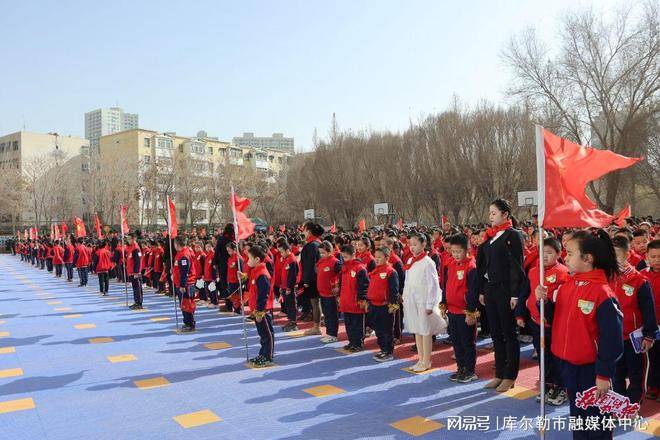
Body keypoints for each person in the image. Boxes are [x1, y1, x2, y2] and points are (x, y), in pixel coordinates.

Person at [540, 230, 624, 439]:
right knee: (578, 417)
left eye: (569, 253)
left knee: (596, 421)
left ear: (587, 259)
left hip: (592, 370)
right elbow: (555, 319)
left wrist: (603, 375)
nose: (565, 258)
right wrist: (543, 302)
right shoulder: (568, 285)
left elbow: (612, 340)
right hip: (569, 365)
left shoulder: (602, 293)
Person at [476, 198, 525, 392]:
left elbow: (516, 267)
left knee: (508, 333)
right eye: (490, 213)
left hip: (506, 290)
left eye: (494, 213)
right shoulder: (490, 236)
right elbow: (482, 265)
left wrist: (515, 294)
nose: (491, 217)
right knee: (496, 334)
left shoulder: (512, 235)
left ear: (505, 214)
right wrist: (481, 289)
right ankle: (499, 373)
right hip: (490, 289)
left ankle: (510, 375)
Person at [515, 237, 569, 405]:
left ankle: (560, 387)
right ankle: (546, 385)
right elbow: (526, 293)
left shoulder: (563, 273)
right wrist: (520, 314)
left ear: (559, 254)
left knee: (556, 357)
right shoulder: (533, 271)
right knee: (543, 356)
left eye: (549, 253)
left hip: (553, 324)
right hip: (535, 322)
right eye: (542, 252)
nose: (545, 256)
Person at [611, 235, 656, 407]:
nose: (613, 259)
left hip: (634, 338)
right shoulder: (606, 278)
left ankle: (633, 405)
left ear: (627, 255)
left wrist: (649, 335)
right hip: (614, 338)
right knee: (616, 374)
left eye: (616, 255)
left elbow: (648, 311)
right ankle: (620, 404)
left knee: (636, 374)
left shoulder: (639, 281)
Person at [403, 233, 446, 372]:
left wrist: (430, 305)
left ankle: (426, 360)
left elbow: (433, 285)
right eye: (411, 244)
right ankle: (420, 359)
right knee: (417, 330)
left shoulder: (428, 262)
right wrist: (405, 296)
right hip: (412, 301)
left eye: (415, 244)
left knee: (425, 331)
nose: (412, 247)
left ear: (423, 244)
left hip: (423, 301)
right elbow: (407, 281)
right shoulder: (410, 261)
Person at [441, 234, 479, 383]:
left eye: (459, 251)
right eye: (453, 251)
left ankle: (470, 370)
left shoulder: (471, 267)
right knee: (456, 342)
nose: (456, 254)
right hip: (452, 311)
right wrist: (443, 304)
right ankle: (460, 367)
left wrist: (470, 312)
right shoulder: (450, 264)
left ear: (466, 250)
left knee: (467, 342)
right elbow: (446, 286)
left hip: (465, 312)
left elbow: (472, 292)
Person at [243, 245, 275, 367]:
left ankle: (268, 357)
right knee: (262, 334)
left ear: (257, 260)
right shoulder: (255, 272)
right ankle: (263, 354)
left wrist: (260, 311)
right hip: (256, 310)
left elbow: (263, 295)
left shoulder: (262, 274)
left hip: (262, 311)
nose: (248, 261)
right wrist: (244, 277)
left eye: (250, 258)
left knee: (267, 334)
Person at [367, 246, 399, 362]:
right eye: (375, 257)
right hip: (374, 305)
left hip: (385, 306)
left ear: (386, 257)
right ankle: (382, 349)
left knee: (386, 330)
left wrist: (393, 305)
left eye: (379, 257)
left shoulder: (391, 272)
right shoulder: (375, 271)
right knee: (378, 329)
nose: (376, 259)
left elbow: (394, 290)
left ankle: (388, 351)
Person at [339, 244, 369, 352]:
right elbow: (341, 284)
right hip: (346, 301)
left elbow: (364, 286)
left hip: (356, 302)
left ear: (353, 255)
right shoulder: (344, 267)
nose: (344, 259)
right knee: (348, 324)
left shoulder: (360, 269)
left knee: (357, 324)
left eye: (346, 257)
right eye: (343, 257)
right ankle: (351, 341)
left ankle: (358, 343)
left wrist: (362, 299)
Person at [642, 239, 660, 399]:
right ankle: (653, 386)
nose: (657, 260)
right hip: (650, 327)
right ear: (647, 256)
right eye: (653, 256)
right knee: (652, 357)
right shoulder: (642, 276)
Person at [300, 222, 323, 335]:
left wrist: (307, 281)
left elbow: (310, 264)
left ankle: (316, 327)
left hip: (313, 279)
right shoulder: (316, 243)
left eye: (304, 230)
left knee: (315, 302)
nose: (303, 232)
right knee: (315, 302)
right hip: (316, 277)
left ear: (308, 231)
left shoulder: (312, 245)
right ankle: (316, 326)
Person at [317, 240, 342, 343]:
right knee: (327, 315)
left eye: (323, 252)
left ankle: (333, 334)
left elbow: (343, 275)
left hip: (331, 294)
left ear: (330, 251)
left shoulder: (335, 262)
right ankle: (328, 333)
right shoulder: (321, 262)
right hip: (322, 293)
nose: (321, 255)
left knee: (332, 315)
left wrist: (338, 287)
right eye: (320, 252)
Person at [172, 236, 198, 332]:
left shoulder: (184, 255)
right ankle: (187, 322)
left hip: (186, 284)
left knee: (186, 304)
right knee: (184, 304)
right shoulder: (181, 253)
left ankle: (190, 324)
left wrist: (182, 285)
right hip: (183, 283)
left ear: (177, 244)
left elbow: (184, 272)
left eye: (174, 244)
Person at [278, 242, 299, 332]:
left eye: (282, 252)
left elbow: (292, 275)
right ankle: (290, 320)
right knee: (287, 304)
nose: (281, 254)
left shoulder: (292, 260)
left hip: (289, 287)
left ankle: (293, 323)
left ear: (287, 250)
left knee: (291, 304)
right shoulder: (286, 259)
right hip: (284, 286)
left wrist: (289, 288)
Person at [125, 234, 143, 309]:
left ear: (133, 239)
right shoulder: (130, 248)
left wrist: (136, 272)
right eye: (127, 239)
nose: (128, 240)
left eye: (129, 239)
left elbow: (137, 261)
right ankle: (136, 302)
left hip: (135, 272)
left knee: (137, 288)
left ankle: (139, 303)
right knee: (134, 288)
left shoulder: (135, 248)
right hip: (131, 271)